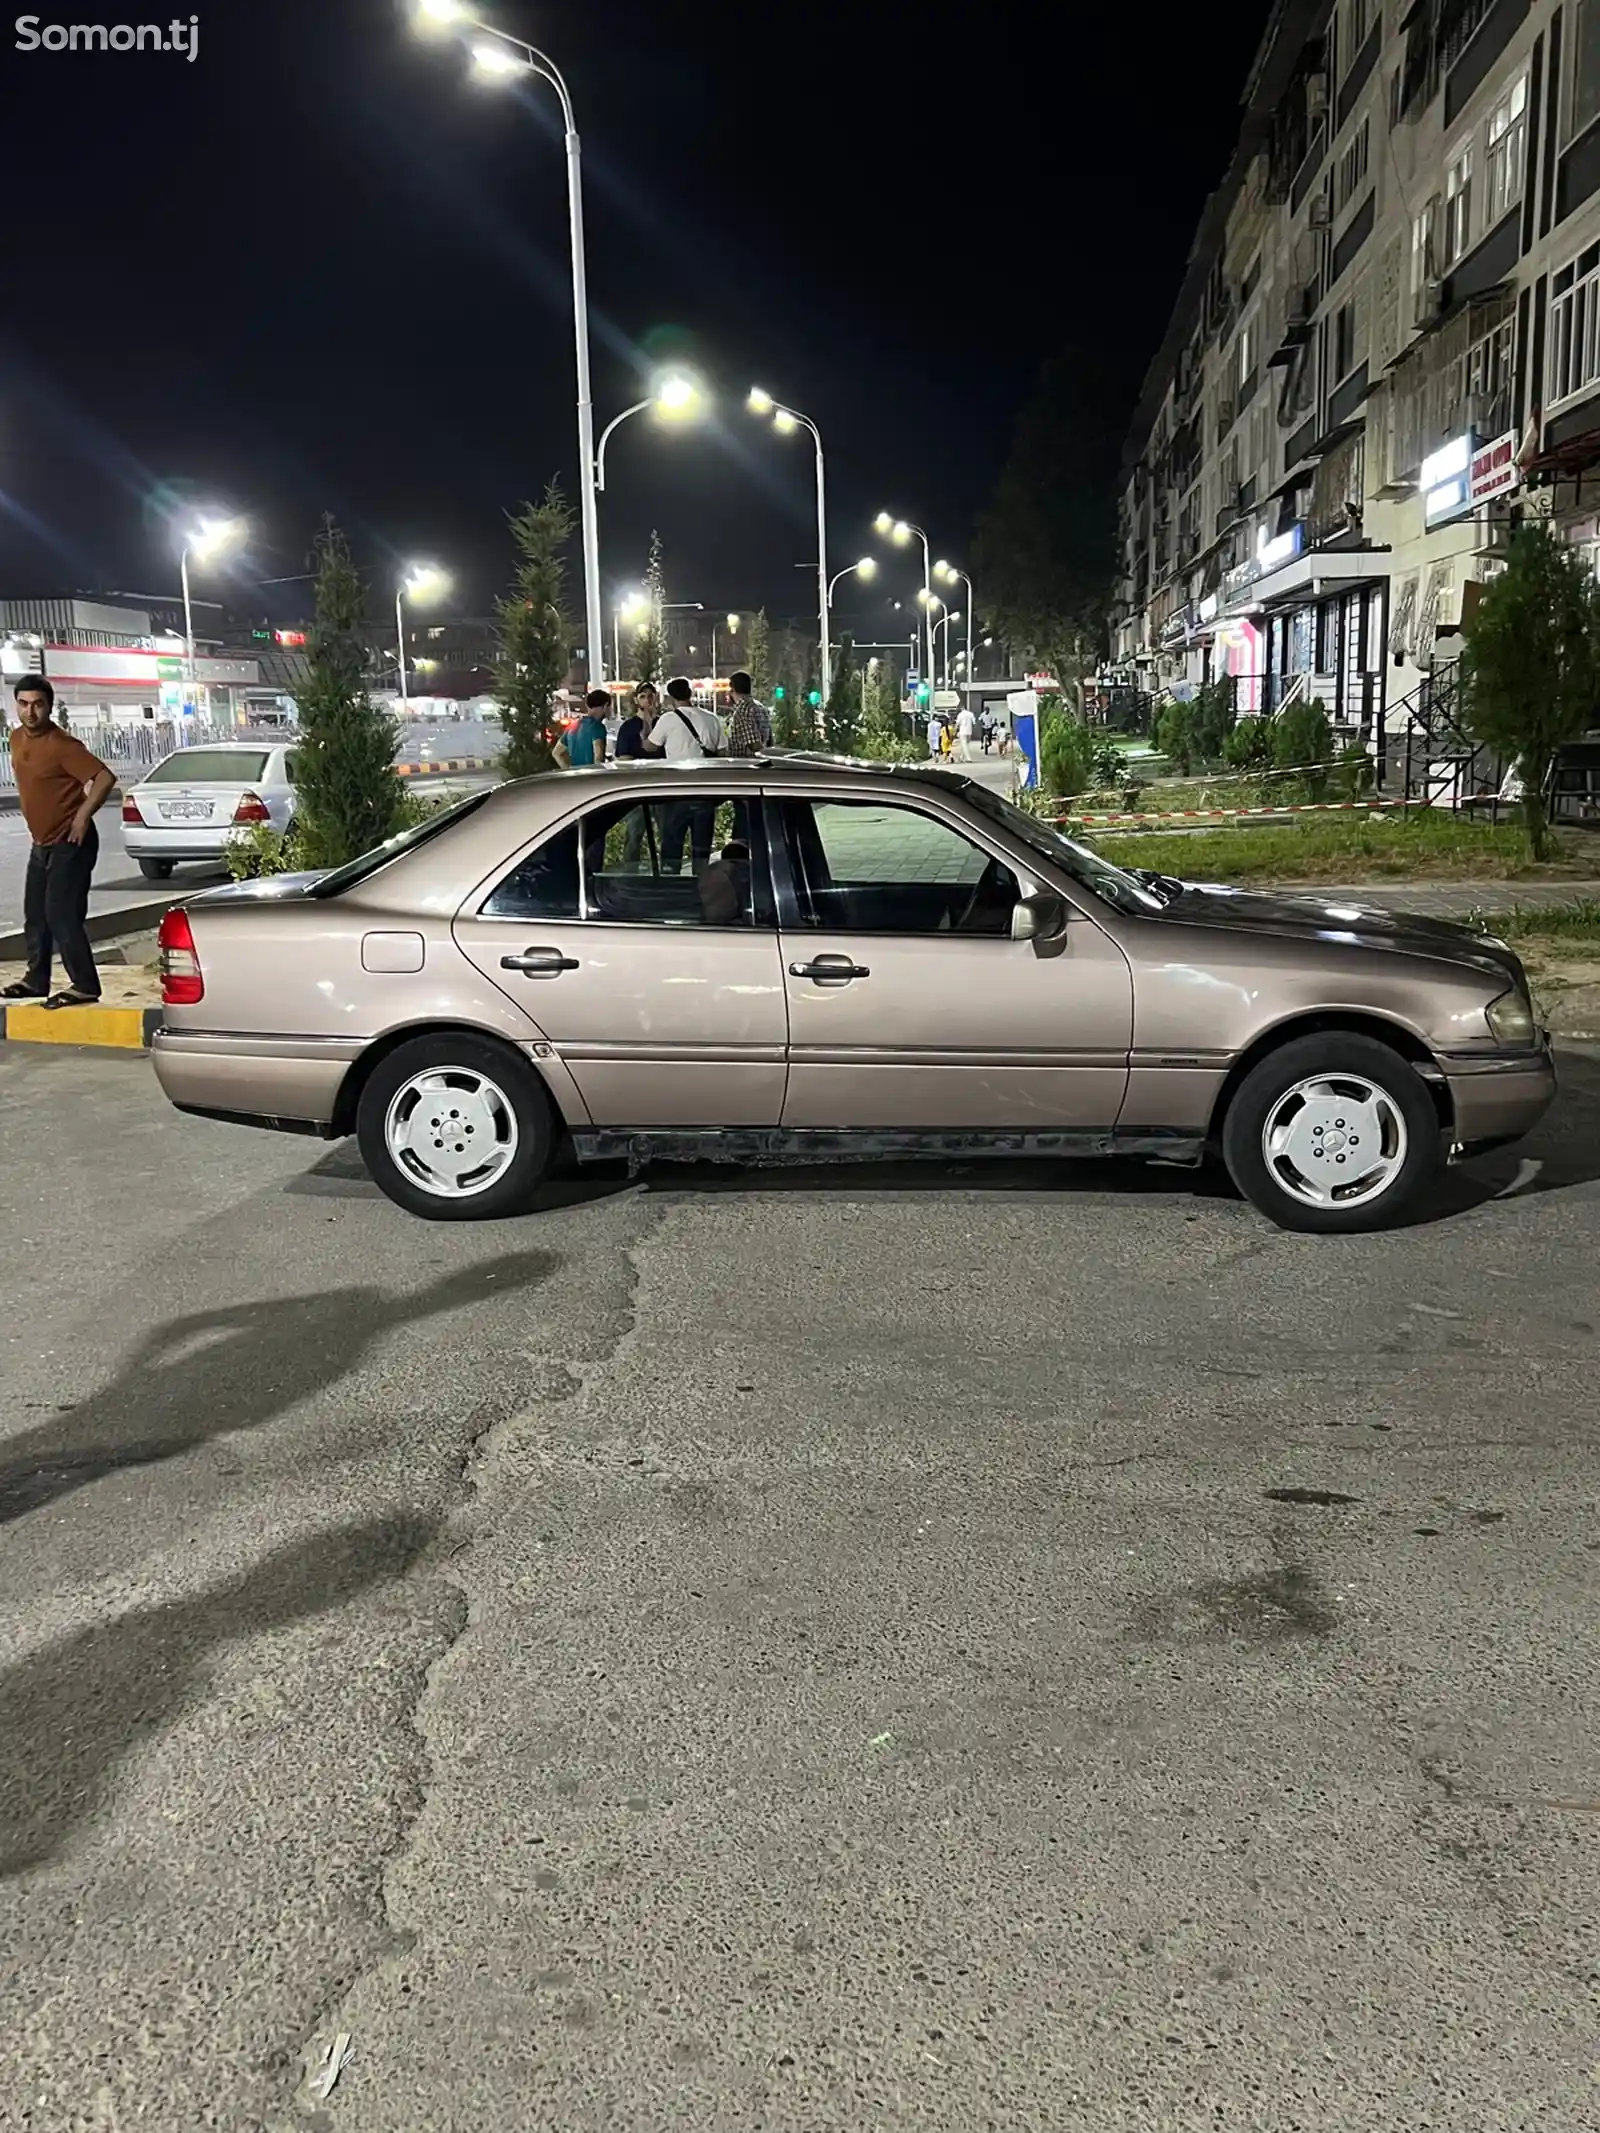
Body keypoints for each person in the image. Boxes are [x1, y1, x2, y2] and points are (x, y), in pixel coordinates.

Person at [5, 677, 116, 1009]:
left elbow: (104, 778)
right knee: (35, 914)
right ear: (17, 705)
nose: (30, 711)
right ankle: (36, 980)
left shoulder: (61, 744)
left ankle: (84, 984)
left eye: (37, 704)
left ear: (49, 706)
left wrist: (82, 816)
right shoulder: (15, 738)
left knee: (62, 914)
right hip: (41, 844)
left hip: (71, 842)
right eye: (23, 704)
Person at [646, 677, 722, 875]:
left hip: (677, 792)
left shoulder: (668, 719)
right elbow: (723, 752)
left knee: (672, 847)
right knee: (702, 849)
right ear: (690, 693)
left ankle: (672, 890)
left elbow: (650, 746)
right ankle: (702, 888)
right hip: (706, 794)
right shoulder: (711, 718)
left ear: (671, 698)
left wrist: (646, 725)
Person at [614, 683, 657, 865]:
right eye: (643, 696)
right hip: (638, 788)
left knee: (667, 835)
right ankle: (630, 871)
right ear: (636, 699)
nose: (647, 699)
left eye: (650, 695)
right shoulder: (629, 727)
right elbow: (623, 758)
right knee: (634, 835)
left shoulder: (662, 724)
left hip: (661, 787)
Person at [555, 689, 610, 768]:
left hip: (576, 778)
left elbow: (556, 753)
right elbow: (598, 759)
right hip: (591, 778)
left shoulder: (572, 726)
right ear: (605, 706)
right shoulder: (598, 728)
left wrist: (567, 770)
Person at [725, 670, 771, 758]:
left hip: (744, 765)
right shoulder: (760, 707)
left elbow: (753, 744)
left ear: (732, 689)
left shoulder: (742, 710)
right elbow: (769, 741)